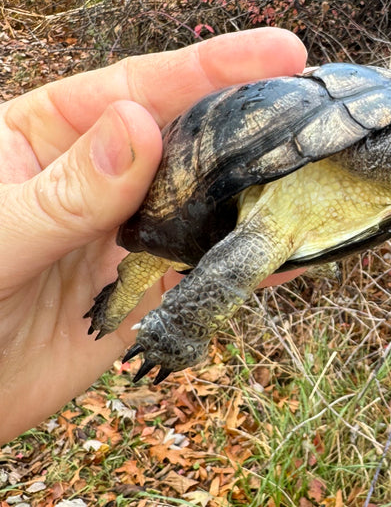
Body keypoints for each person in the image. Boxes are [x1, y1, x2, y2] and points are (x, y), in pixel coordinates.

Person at [0, 27, 306, 444]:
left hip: (257, 202)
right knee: (147, 269)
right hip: (205, 201)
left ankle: (122, 309)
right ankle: (131, 312)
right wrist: (181, 326)